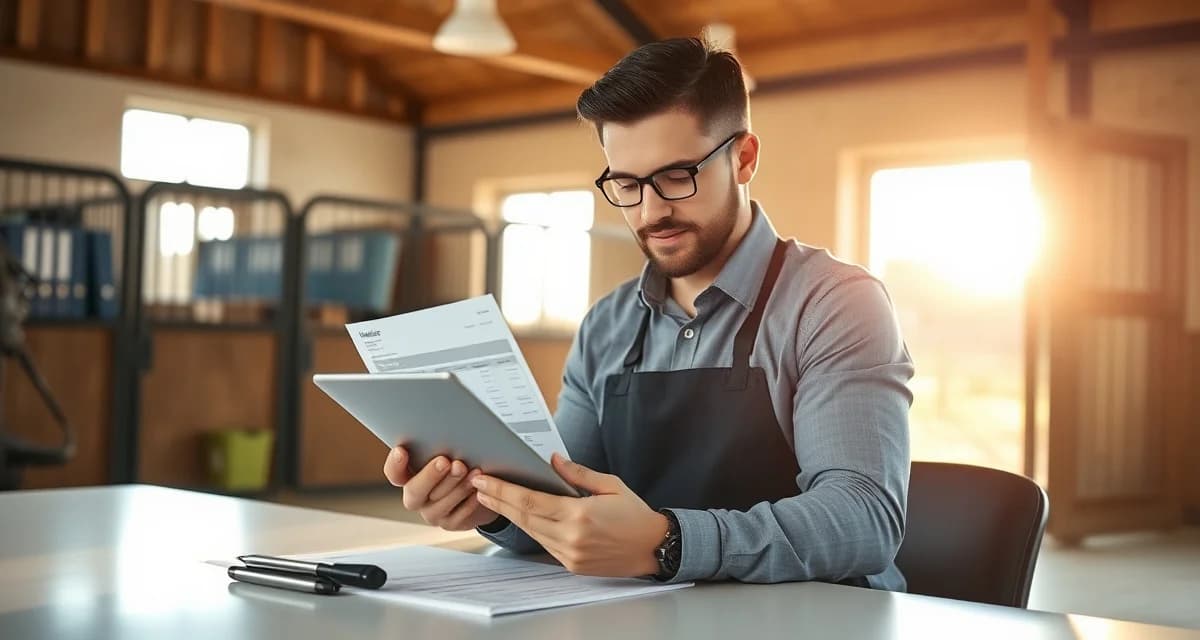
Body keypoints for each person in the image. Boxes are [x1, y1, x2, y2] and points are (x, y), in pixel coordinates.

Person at [382, 37, 914, 589]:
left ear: (744, 158)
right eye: (627, 185)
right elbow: (563, 503)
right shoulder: (607, 326)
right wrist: (490, 507)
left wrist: (668, 542)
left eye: (677, 176)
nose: (651, 210)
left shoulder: (836, 303)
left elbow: (862, 519)